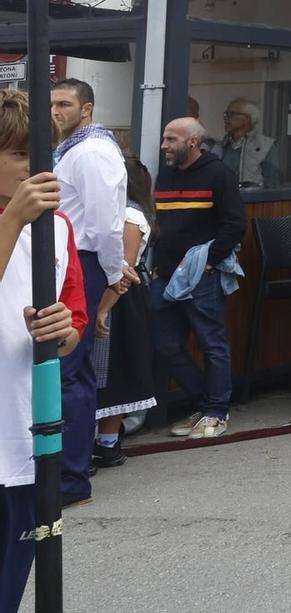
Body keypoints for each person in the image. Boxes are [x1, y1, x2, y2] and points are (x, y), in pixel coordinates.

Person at [0, 90, 87, 605]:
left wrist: (63, 329)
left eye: (41, 156)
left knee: (14, 567)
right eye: (17, 155)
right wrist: (12, 217)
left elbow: (74, 315)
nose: (33, 169)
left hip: (26, 426)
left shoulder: (58, 228)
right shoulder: (20, 219)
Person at [48, 78, 125, 505]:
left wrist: (114, 274)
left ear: (87, 109)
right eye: (52, 104)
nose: (56, 111)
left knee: (69, 371)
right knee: (69, 370)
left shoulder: (93, 152)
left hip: (82, 260)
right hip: (69, 259)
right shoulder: (72, 150)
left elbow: (104, 223)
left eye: (64, 103)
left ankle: (71, 479)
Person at [150, 117, 243, 441]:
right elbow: (160, 221)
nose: (164, 146)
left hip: (201, 275)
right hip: (164, 273)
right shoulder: (165, 174)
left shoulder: (219, 173)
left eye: (171, 139)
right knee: (163, 344)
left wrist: (210, 262)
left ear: (192, 142)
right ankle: (206, 404)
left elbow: (235, 224)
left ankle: (216, 412)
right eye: (164, 138)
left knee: (211, 342)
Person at [91, 158, 156, 469]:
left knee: (111, 369)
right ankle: (103, 440)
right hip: (115, 294)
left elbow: (124, 268)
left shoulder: (130, 214)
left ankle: (107, 441)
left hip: (119, 298)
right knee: (107, 368)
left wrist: (103, 308)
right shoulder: (124, 211)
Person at [216, 97, 282, 189]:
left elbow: (272, 184)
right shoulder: (220, 146)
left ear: (246, 119)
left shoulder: (266, 145)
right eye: (225, 114)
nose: (225, 118)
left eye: (230, 114)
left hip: (254, 201)